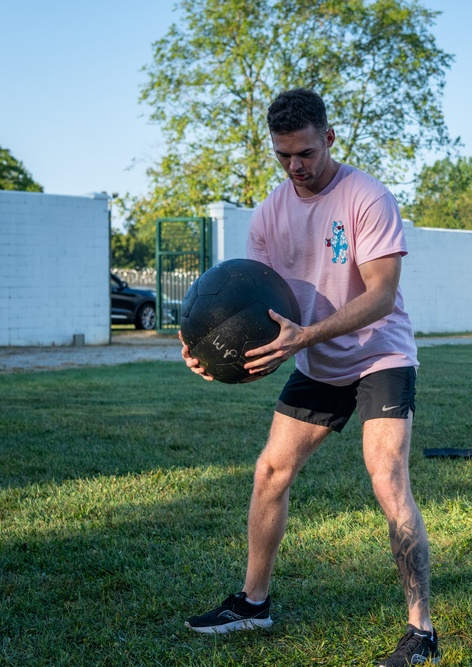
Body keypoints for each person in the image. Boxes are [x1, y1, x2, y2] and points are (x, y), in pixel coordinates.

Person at [181, 88, 439, 666]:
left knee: (386, 475)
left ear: (329, 138)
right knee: (271, 470)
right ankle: (253, 603)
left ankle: (421, 632)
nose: (295, 166)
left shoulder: (366, 197)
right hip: (316, 360)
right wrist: (207, 350)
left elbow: (380, 298)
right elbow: (248, 307)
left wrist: (303, 337)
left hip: (379, 356)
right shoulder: (271, 213)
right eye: (283, 155)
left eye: (304, 152)